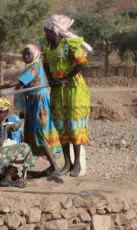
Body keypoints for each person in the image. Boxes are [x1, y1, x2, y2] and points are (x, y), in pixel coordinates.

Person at [0, 44, 62, 179]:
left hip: (39, 102)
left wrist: (0, 87)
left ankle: (55, 166)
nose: (26, 56)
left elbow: (20, 82)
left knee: (39, 132)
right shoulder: (30, 67)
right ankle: (37, 166)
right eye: (24, 54)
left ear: (36, 55)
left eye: (29, 54)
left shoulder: (35, 66)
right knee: (31, 134)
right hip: (33, 101)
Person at [40, 15, 92, 177]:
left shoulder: (70, 43)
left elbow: (82, 62)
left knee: (74, 126)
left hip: (74, 89)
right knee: (61, 126)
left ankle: (76, 163)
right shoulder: (47, 46)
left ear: (56, 31)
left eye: (48, 31)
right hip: (57, 89)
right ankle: (67, 163)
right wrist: (51, 80)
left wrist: (66, 77)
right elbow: (46, 65)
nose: (46, 34)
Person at [0, 95, 35, 188]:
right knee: (24, 148)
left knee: (18, 148)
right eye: (4, 114)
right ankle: (7, 178)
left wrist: (10, 127)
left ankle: (4, 177)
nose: (5, 116)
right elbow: (0, 142)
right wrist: (7, 129)